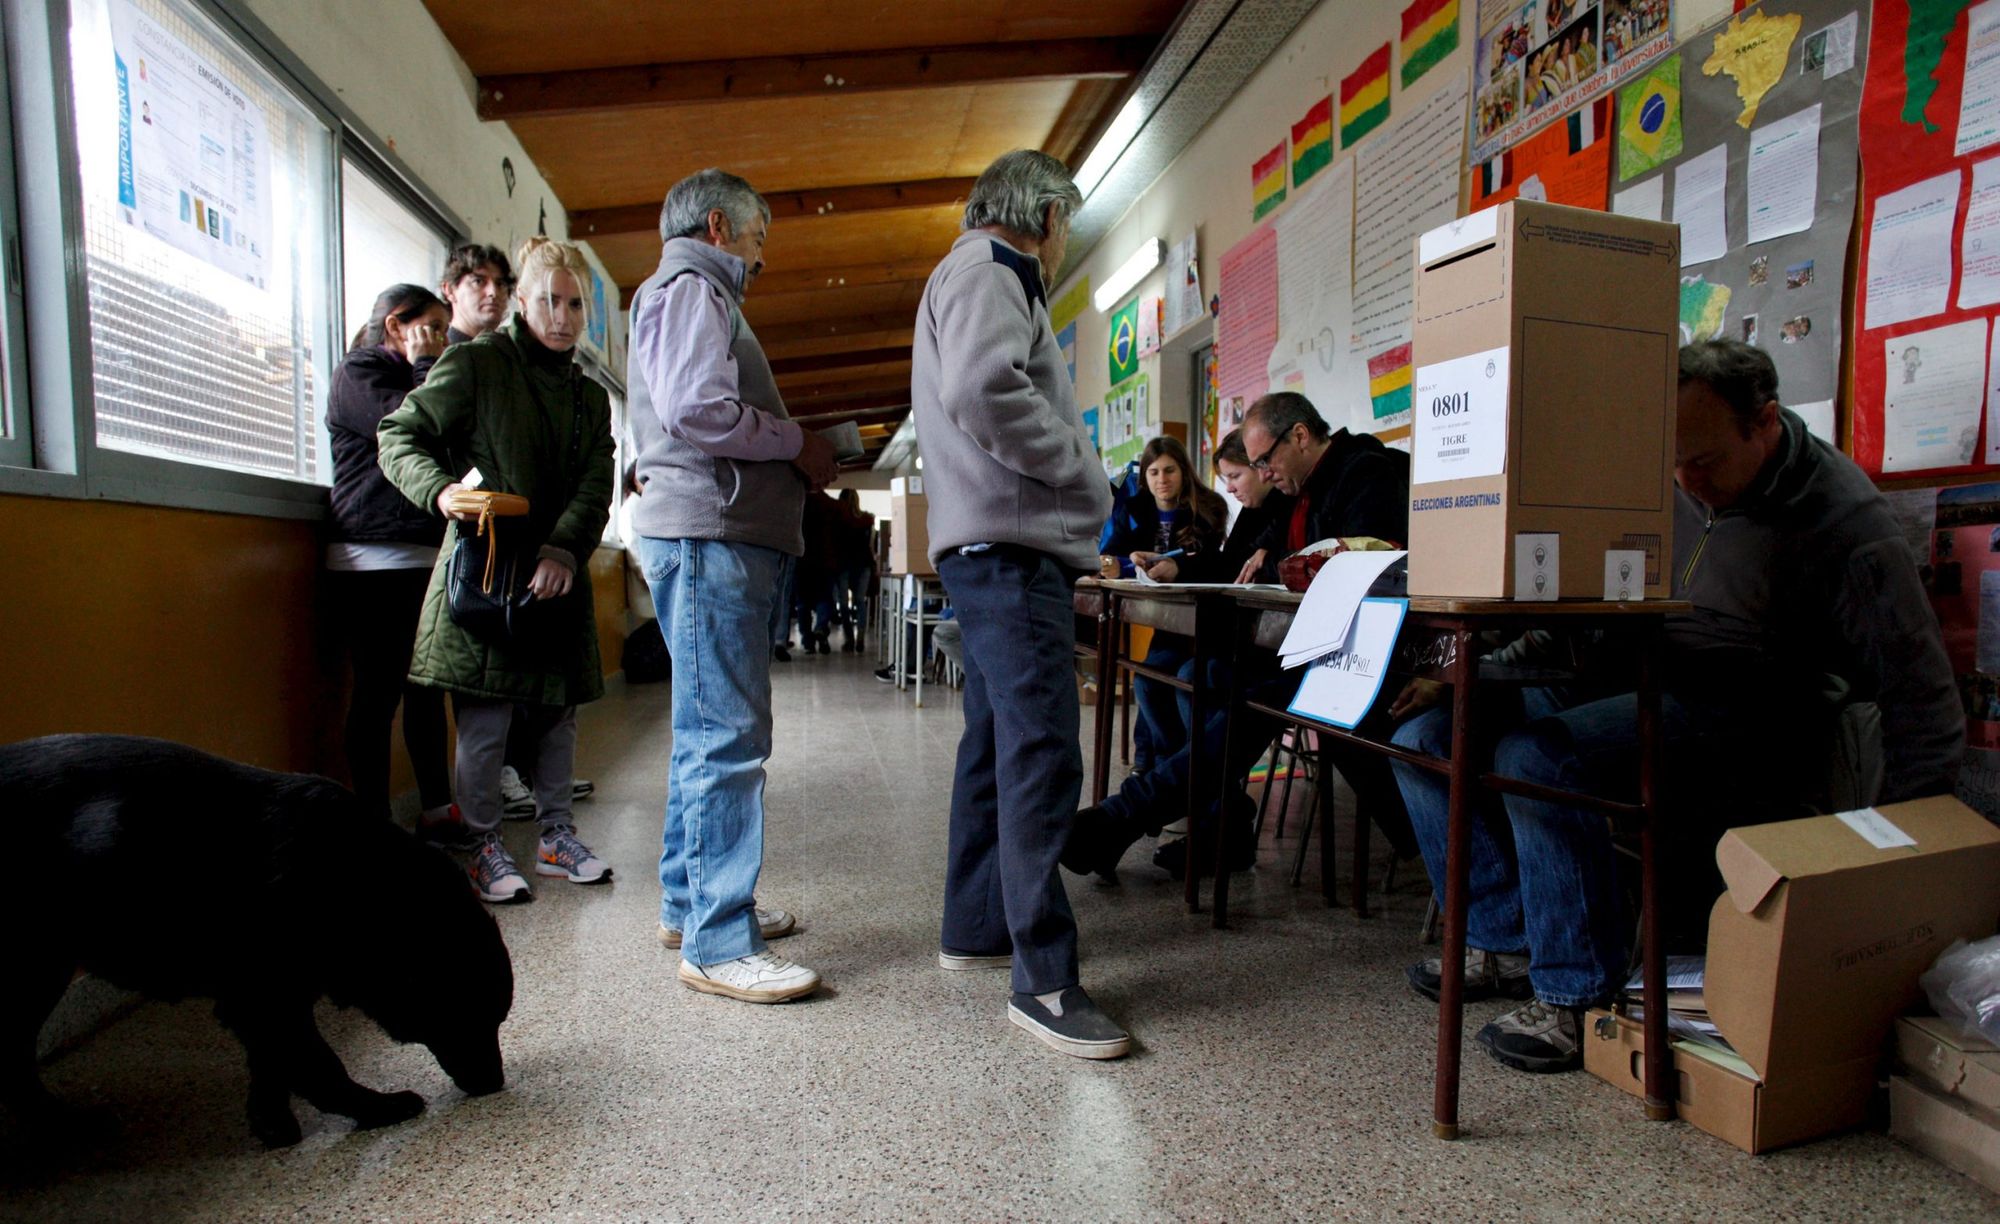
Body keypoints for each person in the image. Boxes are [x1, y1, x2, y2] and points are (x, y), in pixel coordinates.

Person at [1388, 338, 1963, 1075]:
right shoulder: (1681, 481)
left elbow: (1921, 692)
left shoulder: (1846, 527)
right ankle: (1501, 939)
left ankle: (1575, 996)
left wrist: (1904, 858)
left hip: (1749, 706)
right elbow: (1588, 611)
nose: (1687, 481)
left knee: (1536, 757)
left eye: (1704, 461)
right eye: (1673, 463)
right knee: (1431, 733)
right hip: (1635, 672)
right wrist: (1477, 673)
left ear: (1764, 423)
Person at [913, 149, 1127, 1059]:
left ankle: (976, 924)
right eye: (1066, 221)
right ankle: (1043, 979)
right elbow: (980, 389)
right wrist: (1079, 466)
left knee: (998, 741)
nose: (1064, 239)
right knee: (1042, 744)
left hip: (991, 542)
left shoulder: (971, 274)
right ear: (1042, 212)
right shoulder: (993, 267)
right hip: (1009, 546)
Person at [627, 168, 839, 1004]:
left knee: (701, 731)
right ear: (718, 225)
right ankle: (719, 940)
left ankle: (690, 906)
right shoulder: (692, 287)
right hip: (711, 537)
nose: (760, 258)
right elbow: (699, 410)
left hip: (705, 535)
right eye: (757, 237)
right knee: (728, 740)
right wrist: (796, 443)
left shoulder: (689, 292)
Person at [1067, 399, 1414, 882]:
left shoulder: (1362, 474)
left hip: (1362, 661)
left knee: (1227, 697)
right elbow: (1248, 561)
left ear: (1298, 436)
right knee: (1213, 687)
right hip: (1310, 651)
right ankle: (1149, 824)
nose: (1262, 475)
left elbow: (1354, 569)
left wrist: (1278, 559)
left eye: (1262, 462)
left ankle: (1129, 822)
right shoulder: (1302, 486)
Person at [377, 237, 617, 905]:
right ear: (521, 301)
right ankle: (482, 845)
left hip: (555, 572)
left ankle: (555, 837)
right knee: (486, 718)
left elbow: (597, 482)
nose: (562, 317)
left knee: (556, 713)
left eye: (575, 305)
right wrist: (440, 490)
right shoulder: (478, 364)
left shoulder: (589, 398)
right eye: (549, 300)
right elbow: (399, 434)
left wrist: (563, 548)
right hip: (486, 570)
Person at [325, 284, 454, 836]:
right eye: (434, 327)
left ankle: (437, 809)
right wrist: (427, 366)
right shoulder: (360, 372)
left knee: (427, 690)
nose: (443, 340)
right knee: (377, 695)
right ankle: (373, 823)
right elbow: (417, 426)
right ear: (398, 326)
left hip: (423, 553)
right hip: (371, 559)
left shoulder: (414, 374)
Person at [1099, 436, 1228, 771]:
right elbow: (1113, 551)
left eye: (1169, 470)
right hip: (1165, 620)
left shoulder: (1209, 506)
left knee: (1154, 677)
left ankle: (1157, 764)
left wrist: (1179, 567)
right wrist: (1117, 563)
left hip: (1205, 622)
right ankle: (1163, 765)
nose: (1162, 479)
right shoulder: (1135, 507)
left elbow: (1215, 562)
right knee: (1149, 676)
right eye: (1153, 472)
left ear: (1184, 471)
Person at [832, 489, 877, 652]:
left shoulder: (838, 520)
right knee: (860, 600)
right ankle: (861, 638)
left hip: (843, 565)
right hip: (863, 564)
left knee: (843, 603)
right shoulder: (867, 519)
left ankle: (849, 638)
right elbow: (871, 546)